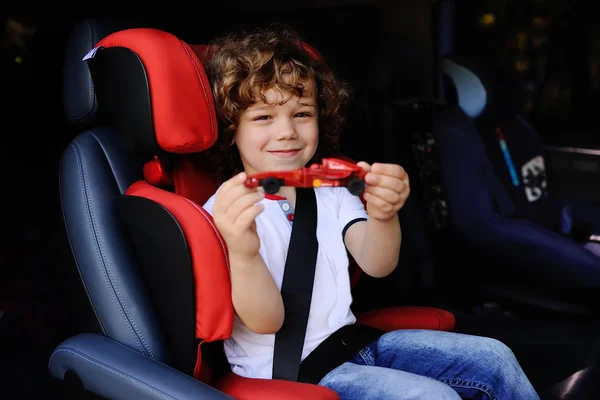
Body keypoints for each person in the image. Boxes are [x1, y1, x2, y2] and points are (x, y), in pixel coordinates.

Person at [200, 25, 540, 400]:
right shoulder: (226, 212)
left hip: (352, 345)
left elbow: (377, 263)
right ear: (233, 128)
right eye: (264, 117)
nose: (287, 132)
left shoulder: (333, 190)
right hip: (291, 373)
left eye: (301, 113)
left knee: (494, 357)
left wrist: (383, 213)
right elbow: (267, 323)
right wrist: (243, 252)